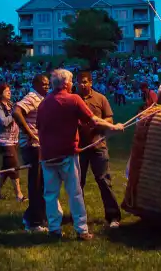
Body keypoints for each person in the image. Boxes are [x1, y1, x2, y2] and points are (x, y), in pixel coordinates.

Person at [37, 68, 125, 241]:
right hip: (68, 155)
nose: (73, 84)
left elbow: (40, 126)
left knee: (51, 194)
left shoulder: (44, 103)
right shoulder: (74, 99)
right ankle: (81, 230)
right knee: (75, 192)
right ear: (66, 83)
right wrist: (115, 127)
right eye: (71, 81)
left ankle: (54, 229)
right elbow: (93, 119)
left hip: (47, 156)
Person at [75, 72, 122, 228]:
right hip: (79, 148)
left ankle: (113, 216)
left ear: (91, 82)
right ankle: (79, 216)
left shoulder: (100, 98)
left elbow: (110, 119)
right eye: (79, 82)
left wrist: (97, 124)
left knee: (103, 181)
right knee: (77, 184)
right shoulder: (74, 99)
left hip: (98, 146)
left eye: (85, 82)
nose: (82, 85)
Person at [13, 74, 50, 233]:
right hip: (32, 146)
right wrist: (29, 133)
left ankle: (32, 216)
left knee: (41, 182)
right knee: (36, 183)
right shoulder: (32, 97)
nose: (47, 87)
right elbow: (16, 111)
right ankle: (33, 223)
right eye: (43, 84)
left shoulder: (41, 98)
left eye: (48, 84)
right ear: (35, 84)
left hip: (38, 145)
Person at [0, 83, 24, 201]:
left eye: (9, 90)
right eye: (6, 91)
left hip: (13, 139)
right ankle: (19, 195)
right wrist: (14, 113)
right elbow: (4, 122)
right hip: (3, 140)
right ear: (0, 94)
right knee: (14, 166)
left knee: (7, 166)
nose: (9, 92)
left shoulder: (10, 104)